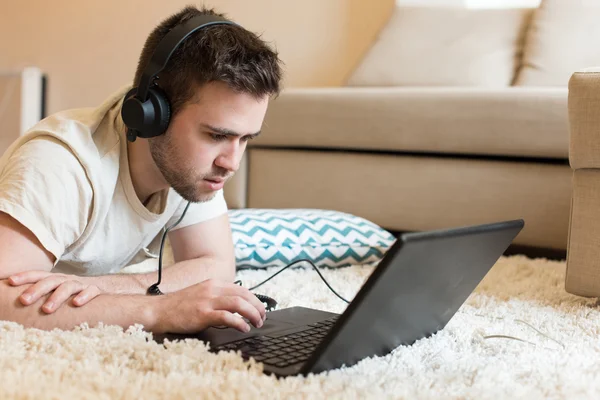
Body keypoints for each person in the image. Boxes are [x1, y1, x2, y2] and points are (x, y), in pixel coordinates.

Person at [0, 5, 283, 335]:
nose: (231, 163)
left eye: (245, 138)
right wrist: (157, 311)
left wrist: (114, 288)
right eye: (217, 136)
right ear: (151, 114)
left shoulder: (193, 172)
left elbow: (217, 267)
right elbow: (4, 295)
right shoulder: (60, 163)